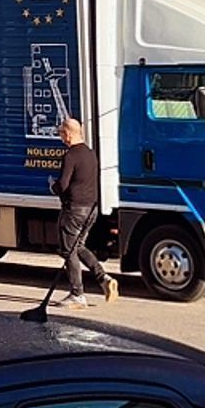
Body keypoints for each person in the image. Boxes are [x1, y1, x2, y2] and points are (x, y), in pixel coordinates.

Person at [51, 118, 117, 307]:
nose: (61, 138)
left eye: (62, 134)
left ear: (69, 134)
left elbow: (63, 185)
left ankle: (77, 294)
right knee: (79, 246)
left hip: (74, 210)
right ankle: (103, 278)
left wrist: (52, 187)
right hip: (91, 210)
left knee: (68, 251)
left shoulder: (70, 156)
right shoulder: (90, 154)